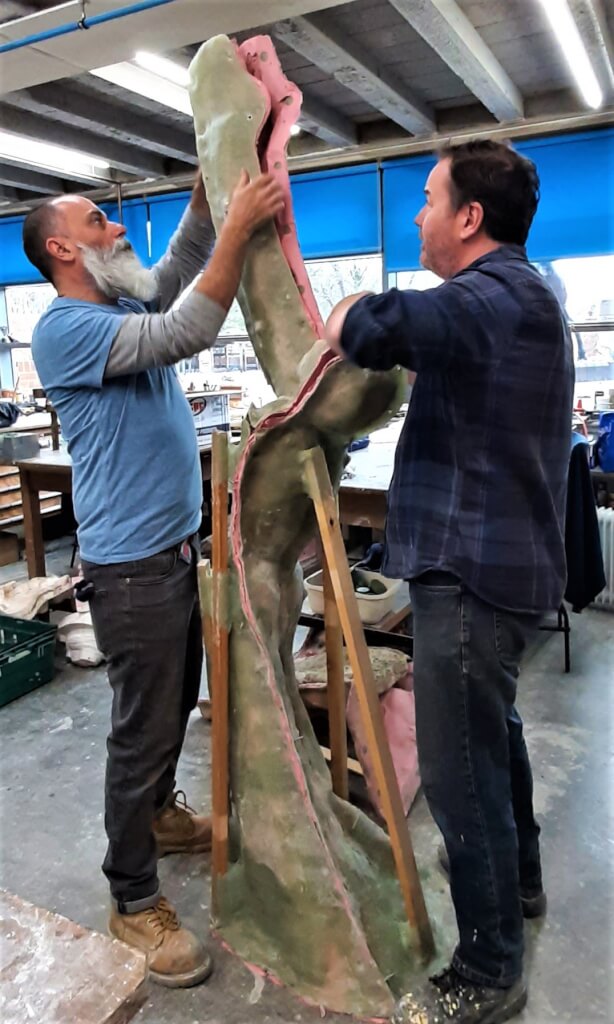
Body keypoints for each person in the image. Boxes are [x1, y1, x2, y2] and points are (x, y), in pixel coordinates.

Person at [325, 140, 574, 1024]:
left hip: (469, 572)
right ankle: (525, 886)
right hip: (487, 566)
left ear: (470, 218)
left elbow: (380, 327)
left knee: (460, 773)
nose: (421, 215)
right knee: (492, 740)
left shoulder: (495, 295)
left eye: (429, 200)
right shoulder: (523, 295)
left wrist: (343, 305)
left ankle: (487, 964)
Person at [23, 169, 284, 988]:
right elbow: (186, 329)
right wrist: (239, 229)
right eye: (100, 221)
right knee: (140, 731)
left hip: (170, 551)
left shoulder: (118, 301)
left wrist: (208, 208)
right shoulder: (65, 328)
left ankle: (163, 816)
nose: (117, 228)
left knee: (172, 709)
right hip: (129, 568)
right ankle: (131, 897)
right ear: (64, 248)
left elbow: (172, 276)